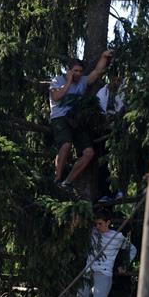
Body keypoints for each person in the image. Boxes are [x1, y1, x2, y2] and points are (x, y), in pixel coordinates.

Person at [49, 50, 113, 196]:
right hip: (60, 118)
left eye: (80, 71)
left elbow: (97, 72)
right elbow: (57, 96)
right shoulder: (57, 80)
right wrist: (69, 81)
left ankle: (68, 181)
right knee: (65, 145)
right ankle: (57, 178)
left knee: (89, 153)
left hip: (76, 120)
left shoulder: (83, 80)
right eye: (75, 71)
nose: (78, 73)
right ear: (69, 71)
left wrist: (103, 56)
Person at [96, 74, 126, 202]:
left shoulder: (123, 92)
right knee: (104, 164)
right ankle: (105, 193)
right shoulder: (103, 92)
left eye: (119, 80)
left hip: (118, 131)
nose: (116, 82)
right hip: (104, 132)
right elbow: (99, 112)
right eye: (115, 79)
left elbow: (123, 110)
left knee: (118, 164)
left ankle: (118, 191)